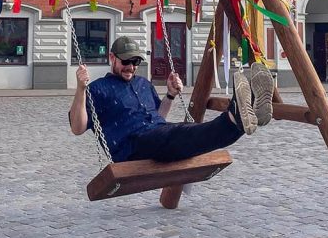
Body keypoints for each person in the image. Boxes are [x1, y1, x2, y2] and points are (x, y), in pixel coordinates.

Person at [70, 35, 275, 164]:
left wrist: (169, 95)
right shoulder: (98, 89)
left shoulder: (143, 83)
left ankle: (243, 115)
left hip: (158, 134)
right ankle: (236, 113)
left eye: (135, 62)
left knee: (187, 133)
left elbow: (158, 116)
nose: (131, 67)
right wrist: (80, 89)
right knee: (182, 133)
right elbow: (78, 128)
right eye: (126, 61)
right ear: (112, 58)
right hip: (131, 146)